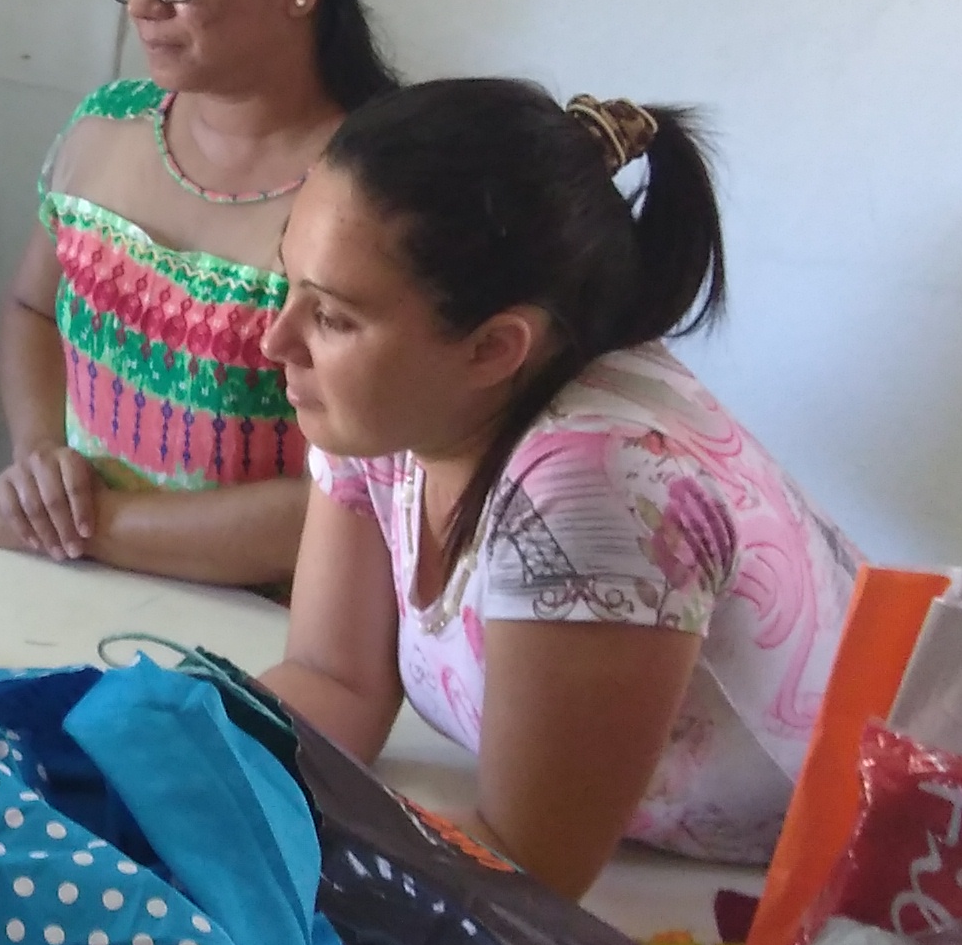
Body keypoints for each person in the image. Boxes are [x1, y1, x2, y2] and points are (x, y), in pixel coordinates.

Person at [252, 78, 860, 898]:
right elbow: (335, 681)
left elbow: (530, 869)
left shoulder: (594, 490)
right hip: (666, 872)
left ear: (494, 349)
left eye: (331, 317)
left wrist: (225, 854)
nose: (275, 339)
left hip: (898, 873)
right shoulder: (395, 409)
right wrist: (165, 760)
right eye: (289, 281)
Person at [0, 0, 398, 584]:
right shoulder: (105, 126)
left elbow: (362, 495)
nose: (142, 4)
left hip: (260, 624)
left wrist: (97, 527)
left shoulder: (374, 198)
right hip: (70, 581)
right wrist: (41, 454)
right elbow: (33, 310)